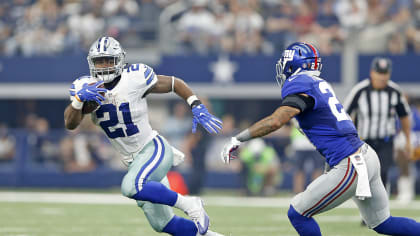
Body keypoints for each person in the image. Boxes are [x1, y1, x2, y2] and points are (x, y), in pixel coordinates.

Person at [221, 42, 420, 236]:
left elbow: (276, 121)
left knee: (298, 213)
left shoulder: (299, 84)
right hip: (365, 155)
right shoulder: (318, 83)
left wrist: (238, 138)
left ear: (293, 65)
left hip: (351, 162)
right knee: (384, 223)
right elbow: (334, 129)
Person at [64, 36, 224, 236]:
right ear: (91, 63)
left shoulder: (134, 78)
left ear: (120, 60)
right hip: (134, 162)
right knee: (163, 224)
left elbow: (175, 83)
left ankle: (190, 203)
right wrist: (78, 101)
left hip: (153, 149)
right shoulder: (84, 86)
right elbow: (70, 123)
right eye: (99, 61)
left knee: (131, 186)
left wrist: (195, 104)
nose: (104, 66)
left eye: (109, 60)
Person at [343, 57, 412, 195]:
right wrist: (348, 138)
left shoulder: (394, 91)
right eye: (379, 73)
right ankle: (367, 214)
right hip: (364, 141)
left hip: (386, 140)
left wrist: (408, 140)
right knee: (365, 175)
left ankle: (380, 212)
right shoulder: (360, 90)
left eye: (384, 73)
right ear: (372, 73)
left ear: (389, 74)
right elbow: (345, 114)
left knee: (382, 173)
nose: (382, 77)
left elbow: (404, 116)